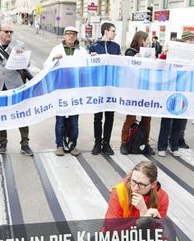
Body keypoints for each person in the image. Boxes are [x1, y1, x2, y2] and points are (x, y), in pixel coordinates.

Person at [0, 22, 33, 156]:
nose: (9, 34)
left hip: (15, 85)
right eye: (6, 31)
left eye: (11, 32)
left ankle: (25, 144)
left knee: (22, 114)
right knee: (0, 115)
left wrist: (21, 55)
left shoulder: (19, 45)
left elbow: (28, 63)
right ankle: (3, 143)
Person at [45, 26, 83, 156]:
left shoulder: (82, 51)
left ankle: (73, 145)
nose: (71, 36)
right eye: (68, 34)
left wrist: (93, 58)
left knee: (74, 121)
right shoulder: (57, 49)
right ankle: (59, 145)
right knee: (60, 121)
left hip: (75, 90)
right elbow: (46, 66)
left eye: (73, 34)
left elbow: (89, 67)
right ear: (64, 36)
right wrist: (54, 59)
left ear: (76, 36)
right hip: (60, 90)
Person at [104, 160, 169, 229]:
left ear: (153, 184)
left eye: (141, 184)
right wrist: (140, 221)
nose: (135, 188)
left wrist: (143, 212)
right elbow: (110, 231)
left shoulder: (162, 197)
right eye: (133, 181)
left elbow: (158, 232)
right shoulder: (119, 192)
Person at [89, 22, 121, 155]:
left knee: (110, 116)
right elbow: (89, 66)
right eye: (113, 31)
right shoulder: (94, 46)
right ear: (106, 31)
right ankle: (97, 142)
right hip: (99, 86)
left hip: (111, 86)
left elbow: (120, 64)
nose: (115, 33)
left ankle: (106, 143)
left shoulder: (116, 47)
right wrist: (92, 59)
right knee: (98, 116)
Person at [120, 31, 154, 155]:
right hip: (134, 91)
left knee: (147, 119)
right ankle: (124, 143)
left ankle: (145, 143)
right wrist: (136, 59)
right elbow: (127, 69)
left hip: (146, 90)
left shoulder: (150, 53)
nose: (150, 41)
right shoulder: (130, 52)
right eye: (148, 39)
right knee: (131, 118)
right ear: (142, 40)